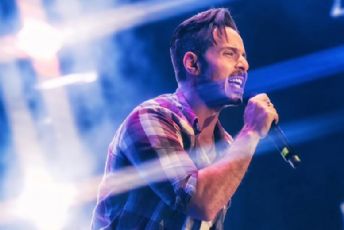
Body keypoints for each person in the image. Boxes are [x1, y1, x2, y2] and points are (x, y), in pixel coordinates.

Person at [91, 8, 278, 229]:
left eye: (244, 56)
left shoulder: (226, 145)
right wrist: (252, 131)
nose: (244, 65)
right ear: (192, 64)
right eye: (230, 53)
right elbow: (200, 202)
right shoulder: (150, 118)